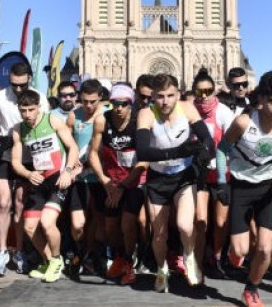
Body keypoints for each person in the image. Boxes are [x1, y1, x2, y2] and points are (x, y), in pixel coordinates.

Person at [218, 70, 272, 307]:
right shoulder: (244, 121)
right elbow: (222, 149)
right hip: (241, 188)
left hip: (268, 189)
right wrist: (223, 183)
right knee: (240, 251)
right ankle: (233, 253)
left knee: (264, 250)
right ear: (261, 99)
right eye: (271, 100)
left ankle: (252, 288)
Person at [135, 73, 216, 293]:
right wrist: (176, 151)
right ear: (153, 96)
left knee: (184, 225)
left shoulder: (187, 109)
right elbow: (142, 151)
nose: (165, 101)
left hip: (183, 176)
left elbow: (208, 140)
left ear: (178, 94)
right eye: (160, 96)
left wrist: (205, 152)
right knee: (159, 234)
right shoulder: (146, 114)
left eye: (170, 95)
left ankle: (189, 256)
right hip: (158, 178)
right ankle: (162, 269)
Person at [0, 62, 50, 276]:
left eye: (22, 85)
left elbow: (46, 124)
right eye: (14, 85)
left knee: (20, 204)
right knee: (3, 201)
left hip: (29, 156)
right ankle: (2, 251)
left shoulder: (39, 97)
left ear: (29, 78)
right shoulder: (0, 96)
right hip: (6, 153)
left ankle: (18, 250)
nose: (18, 89)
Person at [10, 90, 79, 283]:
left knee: (47, 223)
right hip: (39, 180)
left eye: (31, 110)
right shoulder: (18, 130)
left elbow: (72, 147)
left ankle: (57, 259)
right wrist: (28, 173)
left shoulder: (53, 121)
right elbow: (16, 163)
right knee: (30, 227)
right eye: (23, 110)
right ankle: (50, 261)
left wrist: (67, 171)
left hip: (58, 179)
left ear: (39, 107)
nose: (27, 115)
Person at [89, 83, 147, 285]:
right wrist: (105, 181)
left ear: (130, 103)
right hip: (111, 183)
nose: (119, 108)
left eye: (123, 104)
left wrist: (123, 187)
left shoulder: (139, 121)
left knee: (128, 223)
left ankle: (130, 262)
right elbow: (93, 154)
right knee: (111, 226)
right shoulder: (101, 121)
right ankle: (120, 257)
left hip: (134, 182)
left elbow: (144, 160)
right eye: (115, 103)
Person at [190, 69, 234, 277]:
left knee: (219, 222)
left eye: (208, 91)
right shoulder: (189, 111)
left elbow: (235, 143)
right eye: (200, 92)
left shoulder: (224, 112)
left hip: (222, 175)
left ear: (214, 91)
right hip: (198, 175)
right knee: (200, 221)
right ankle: (197, 263)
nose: (204, 96)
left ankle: (216, 257)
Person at [64, 79, 106, 278]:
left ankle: (91, 257)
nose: (88, 106)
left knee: (98, 223)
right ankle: (78, 252)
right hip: (78, 180)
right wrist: (70, 166)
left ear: (100, 98)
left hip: (99, 180)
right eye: (85, 101)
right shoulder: (74, 116)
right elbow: (66, 145)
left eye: (93, 101)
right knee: (78, 225)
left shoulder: (106, 116)